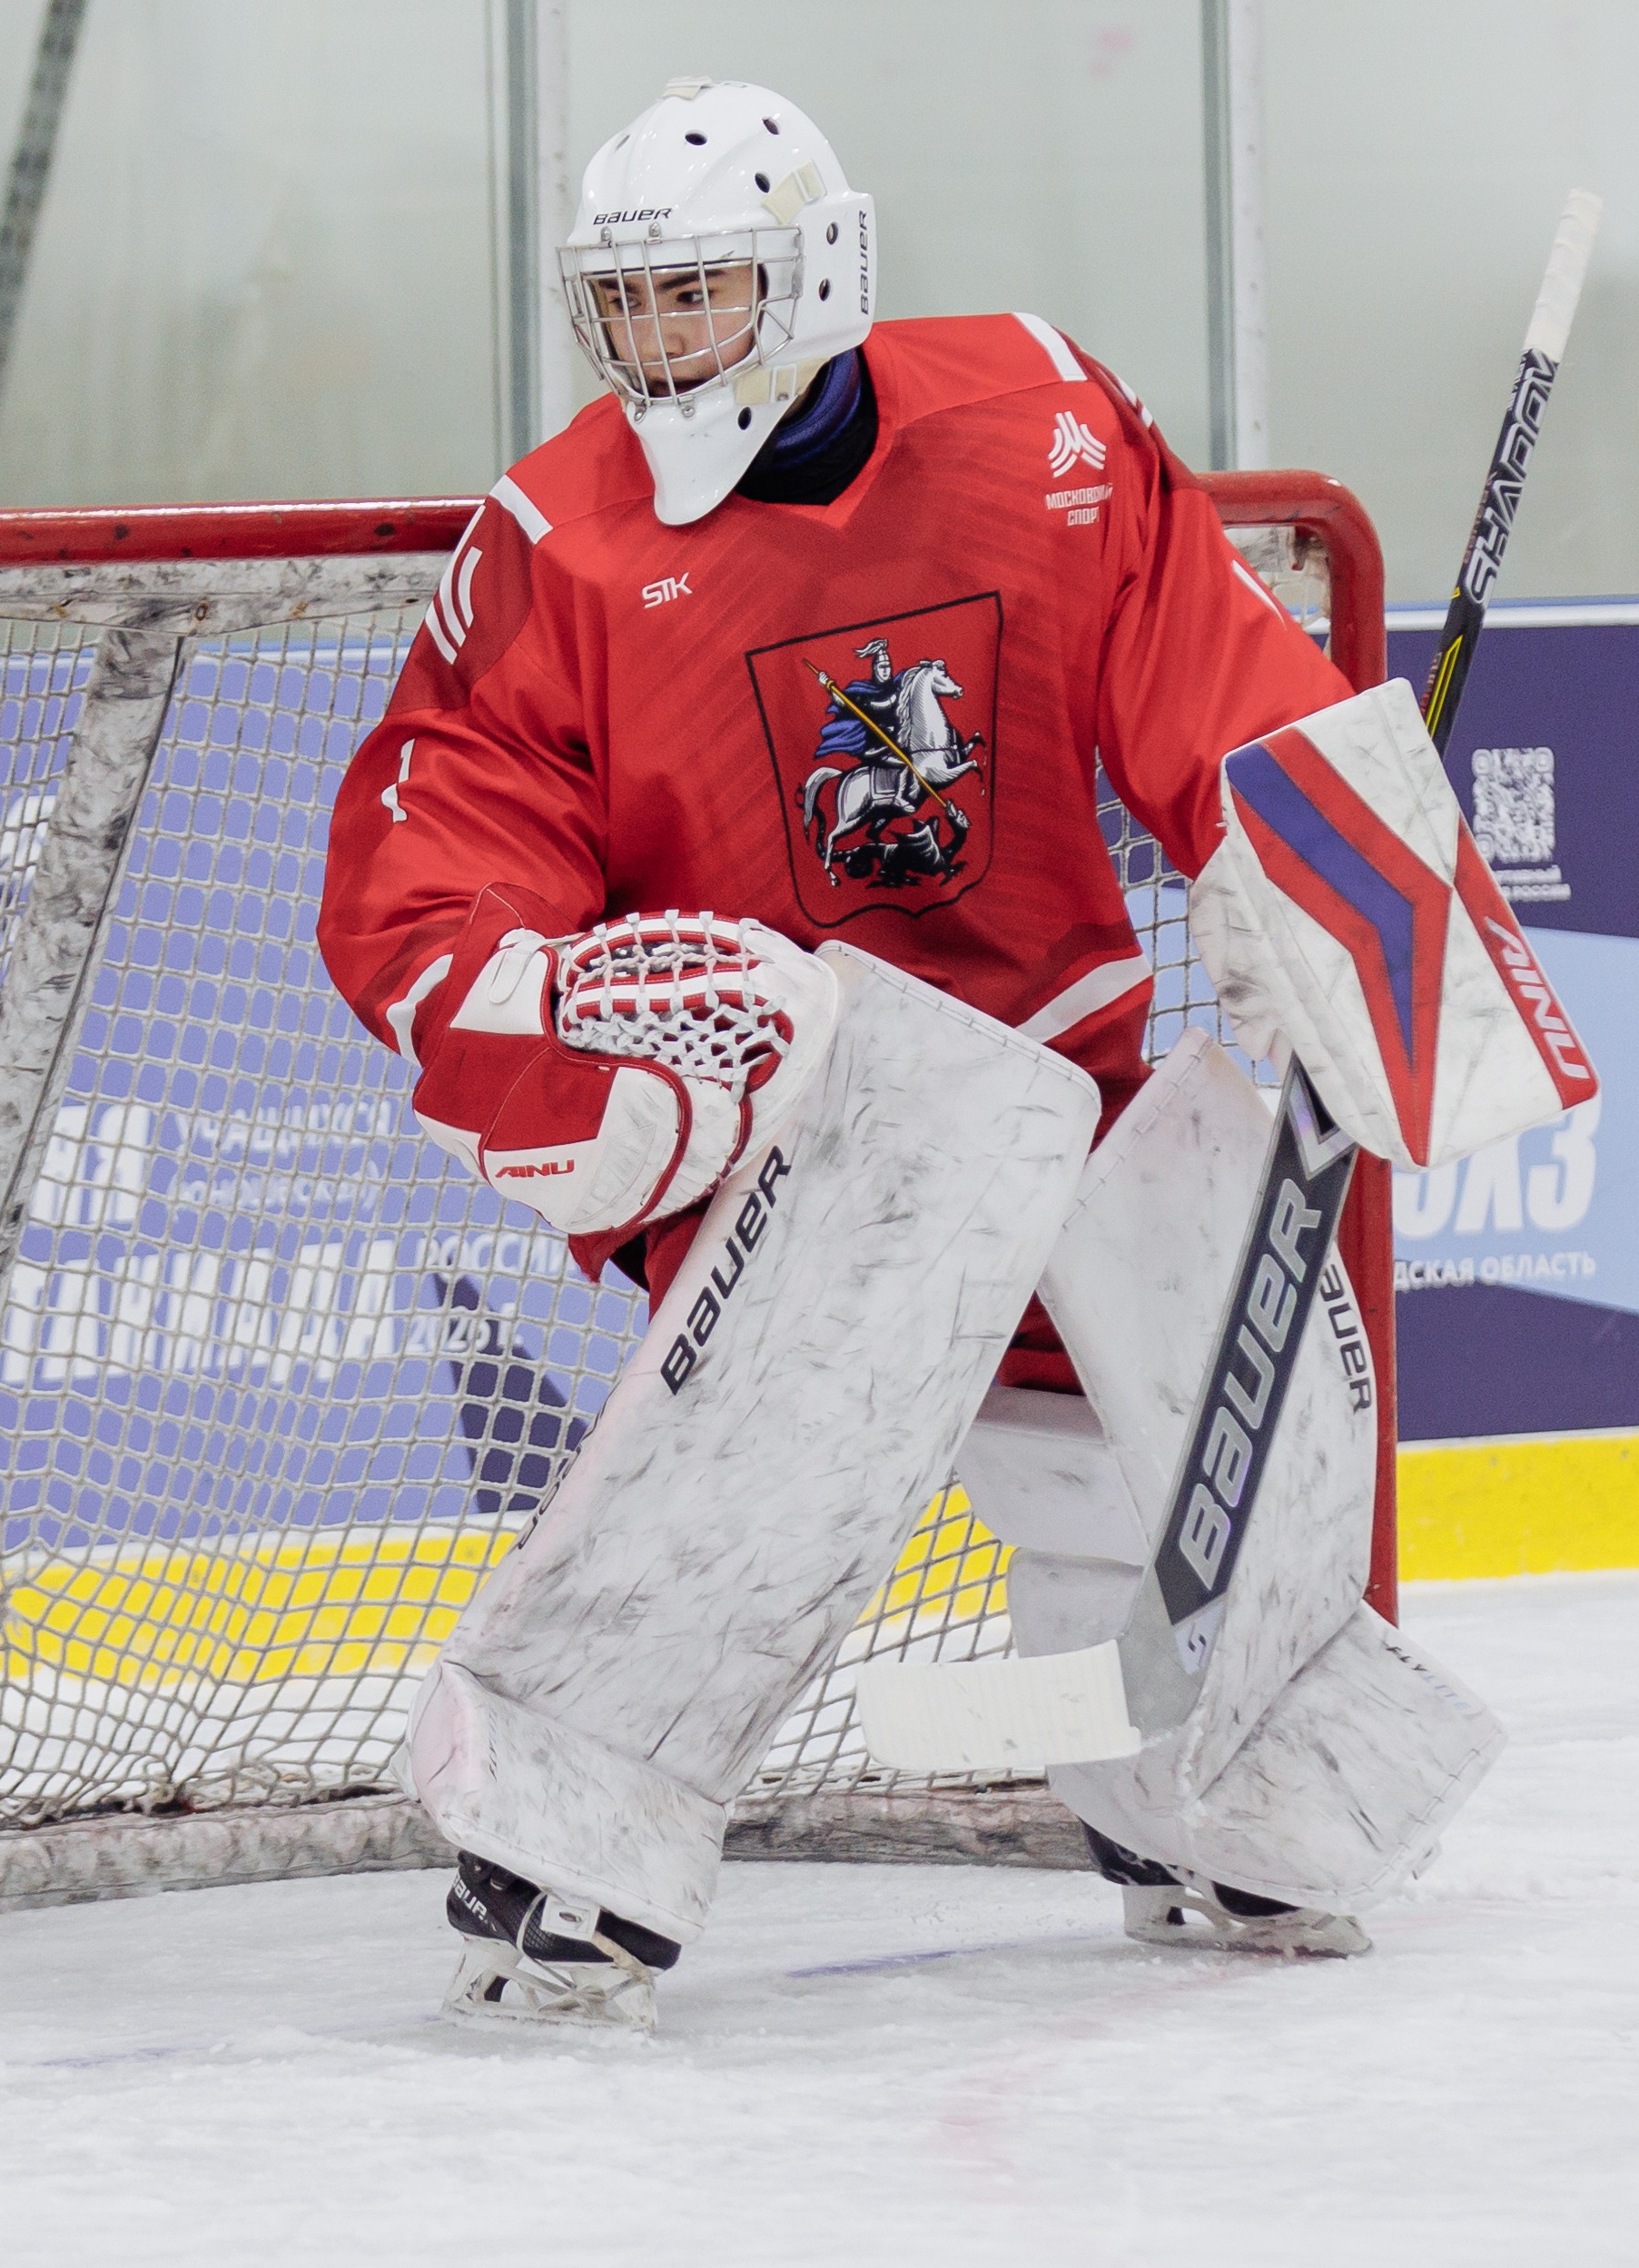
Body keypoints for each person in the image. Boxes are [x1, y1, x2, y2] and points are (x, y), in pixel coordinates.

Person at [321, 81, 1525, 2029]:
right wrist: (547, 1012)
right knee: (827, 1344)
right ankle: (570, 1793)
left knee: (1246, 1361)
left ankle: (1209, 1782)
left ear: (814, 272)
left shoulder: (1036, 422)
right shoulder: (555, 543)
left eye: (693, 296)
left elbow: (1211, 680)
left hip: (1063, 1054)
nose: (651, 349)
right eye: (619, 308)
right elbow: (429, 854)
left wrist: (1333, 890)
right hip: (791, 1102)